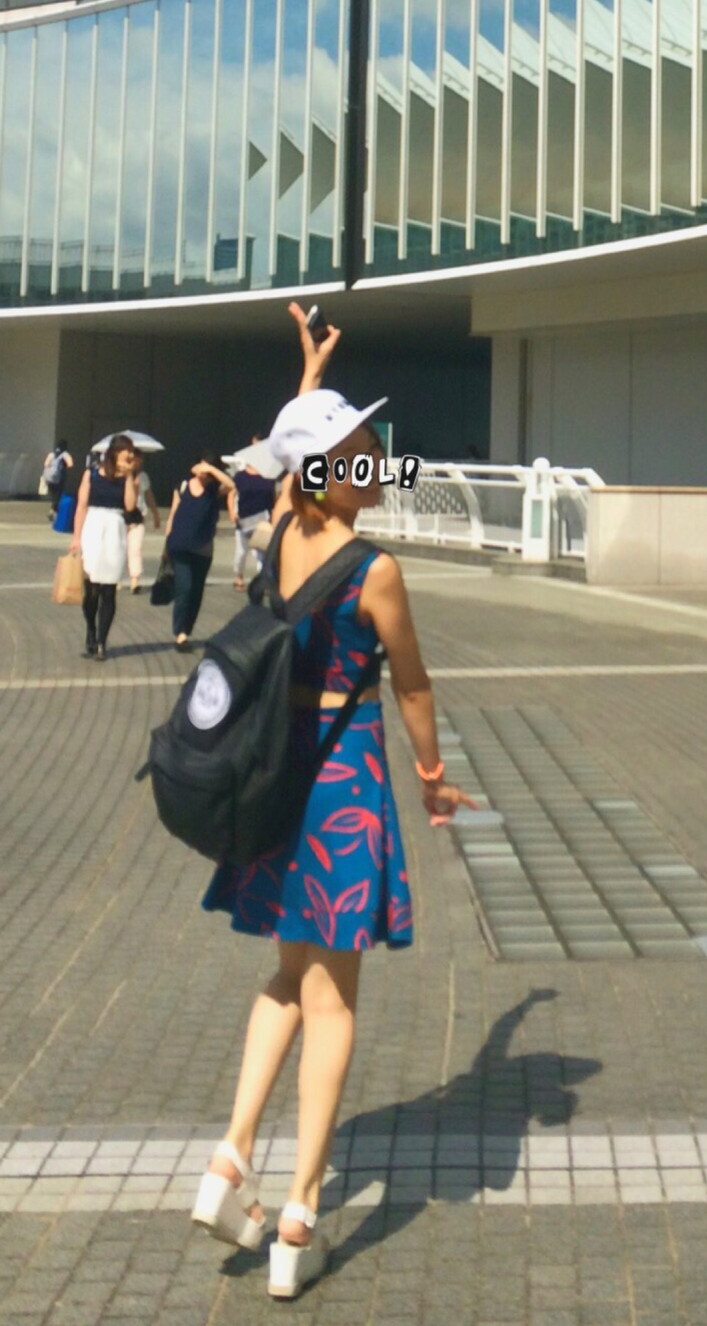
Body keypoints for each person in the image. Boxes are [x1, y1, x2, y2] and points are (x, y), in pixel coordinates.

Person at [192, 303, 477, 1301]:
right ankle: (301, 1212)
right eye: (362, 445)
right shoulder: (375, 570)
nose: (376, 454)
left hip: (275, 772)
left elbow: (289, 462)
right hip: (344, 781)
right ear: (335, 468)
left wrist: (310, 380)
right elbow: (413, 687)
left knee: (286, 975)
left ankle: (229, 1157)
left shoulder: (278, 532)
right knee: (332, 999)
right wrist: (432, 776)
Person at [70, 435, 137, 661]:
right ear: (115, 452)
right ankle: (91, 629)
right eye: (126, 450)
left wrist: (129, 476)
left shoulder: (128, 477)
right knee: (90, 589)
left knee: (108, 589)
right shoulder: (91, 474)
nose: (130, 455)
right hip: (93, 527)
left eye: (131, 451)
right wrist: (76, 537)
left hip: (115, 530)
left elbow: (130, 506)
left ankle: (101, 642)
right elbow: (81, 506)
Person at [163, 453, 235, 651]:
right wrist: (167, 541)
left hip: (202, 549)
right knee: (184, 588)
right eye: (201, 466)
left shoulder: (214, 489)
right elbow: (173, 513)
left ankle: (186, 630)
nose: (202, 472)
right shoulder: (183, 486)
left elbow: (231, 485)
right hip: (179, 545)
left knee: (196, 592)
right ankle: (179, 633)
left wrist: (211, 470)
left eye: (208, 468)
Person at [227, 437, 276, 591]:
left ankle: (261, 582)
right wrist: (232, 511)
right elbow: (232, 494)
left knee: (261, 552)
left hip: (263, 520)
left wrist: (274, 517)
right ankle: (238, 575)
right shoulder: (241, 476)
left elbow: (273, 498)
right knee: (241, 552)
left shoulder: (268, 476)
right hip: (243, 518)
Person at [124, 452, 161, 594]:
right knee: (119, 548)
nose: (137, 463)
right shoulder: (119, 475)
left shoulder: (143, 476)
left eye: (139, 461)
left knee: (135, 548)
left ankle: (134, 579)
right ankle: (116, 578)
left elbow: (148, 495)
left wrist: (155, 514)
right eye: (135, 460)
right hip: (121, 516)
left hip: (138, 516)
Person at [42, 443, 74, 520]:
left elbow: (46, 464)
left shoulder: (51, 454)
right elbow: (70, 464)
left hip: (50, 478)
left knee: (53, 496)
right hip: (59, 478)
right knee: (58, 496)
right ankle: (53, 512)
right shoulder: (65, 454)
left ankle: (53, 511)